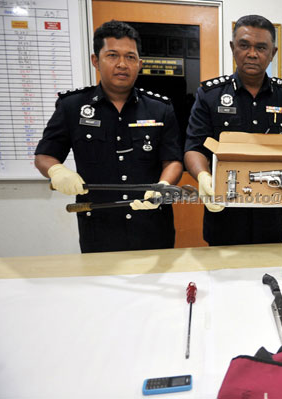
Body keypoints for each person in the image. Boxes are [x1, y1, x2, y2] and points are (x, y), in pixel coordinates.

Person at [34, 20, 183, 253]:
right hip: (98, 228)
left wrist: (163, 186)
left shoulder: (160, 109)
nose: (122, 64)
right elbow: (45, 155)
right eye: (112, 55)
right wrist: (56, 171)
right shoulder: (72, 106)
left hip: (152, 226)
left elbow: (173, 160)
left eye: (130, 57)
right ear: (96, 60)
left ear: (140, 63)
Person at [184, 14, 282, 246]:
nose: (252, 53)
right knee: (221, 278)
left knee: (266, 276)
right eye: (244, 45)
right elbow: (194, 147)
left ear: (273, 53)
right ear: (233, 48)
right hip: (223, 214)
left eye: (261, 47)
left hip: (271, 217)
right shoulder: (210, 94)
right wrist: (203, 176)